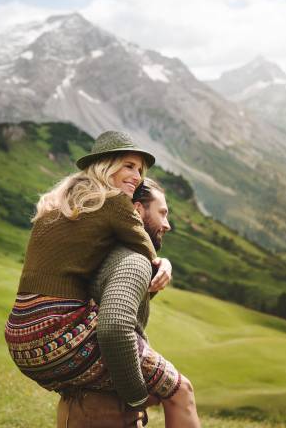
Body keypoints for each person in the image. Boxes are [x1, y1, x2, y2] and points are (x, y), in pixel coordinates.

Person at [5, 131, 175, 411]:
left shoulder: (59, 202)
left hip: (19, 333)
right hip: (56, 333)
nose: (137, 176)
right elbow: (148, 254)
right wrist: (165, 264)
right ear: (106, 165)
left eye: (140, 170)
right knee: (173, 388)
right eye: (129, 166)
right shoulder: (114, 202)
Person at [56, 179, 200, 427]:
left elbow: (121, 301)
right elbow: (115, 327)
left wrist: (159, 264)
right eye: (162, 213)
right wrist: (136, 397)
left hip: (80, 404)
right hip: (101, 410)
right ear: (137, 210)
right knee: (181, 391)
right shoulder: (132, 259)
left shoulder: (105, 249)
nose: (167, 224)